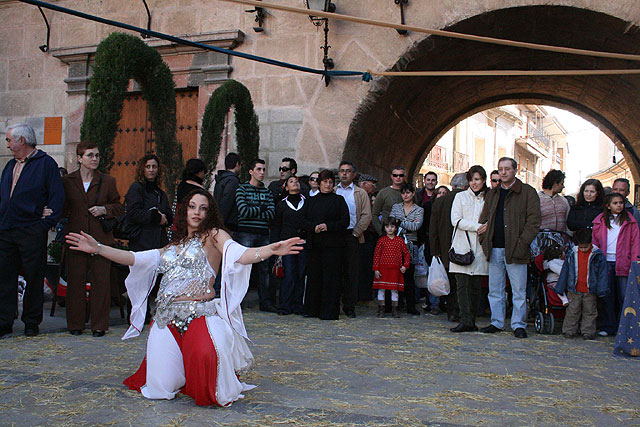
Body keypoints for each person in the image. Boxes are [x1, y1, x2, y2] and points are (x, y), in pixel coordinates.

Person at [65, 189, 303, 406]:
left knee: (208, 385)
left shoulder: (213, 235)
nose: (197, 212)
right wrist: (98, 248)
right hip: (165, 319)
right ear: (184, 210)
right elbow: (134, 258)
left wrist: (270, 250)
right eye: (192, 206)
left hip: (200, 314)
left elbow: (239, 253)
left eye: (203, 208)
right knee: (161, 388)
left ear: (209, 213)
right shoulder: (171, 247)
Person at [0, 123, 64, 337]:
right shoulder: (10, 165)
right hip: (7, 230)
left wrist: (43, 225)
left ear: (22, 141)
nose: (7, 144)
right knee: (5, 278)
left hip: (31, 231)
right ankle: (4, 321)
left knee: (34, 277)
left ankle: (31, 322)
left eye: (9, 140)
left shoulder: (46, 164)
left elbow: (57, 197)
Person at [62, 141, 122, 337]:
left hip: (100, 237)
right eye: (90, 155)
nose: (95, 159)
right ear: (79, 158)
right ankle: (75, 324)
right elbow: (62, 206)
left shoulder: (108, 180)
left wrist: (104, 209)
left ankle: (99, 325)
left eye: (97, 155)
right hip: (76, 236)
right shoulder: (68, 181)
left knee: (101, 282)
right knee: (75, 281)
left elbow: (118, 206)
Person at [478, 157, 541, 339]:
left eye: (507, 169)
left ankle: (518, 324)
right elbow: (484, 217)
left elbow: (534, 221)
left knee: (518, 289)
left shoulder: (527, 193)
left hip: (516, 248)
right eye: (500, 169)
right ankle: (496, 321)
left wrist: (523, 243)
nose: (503, 172)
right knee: (495, 288)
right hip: (494, 246)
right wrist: (484, 238)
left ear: (515, 170)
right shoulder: (493, 193)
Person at [301, 170, 350, 320]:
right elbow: (303, 220)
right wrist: (313, 227)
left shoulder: (339, 200)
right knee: (315, 278)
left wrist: (328, 226)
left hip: (333, 246)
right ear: (319, 183)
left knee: (331, 279)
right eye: (325, 182)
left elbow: (345, 221)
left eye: (330, 182)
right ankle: (312, 309)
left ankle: (329, 311)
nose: (328, 185)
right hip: (315, 245)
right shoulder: (311, 201)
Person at [592, 192, 640, 337]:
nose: (619, 205)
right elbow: (596, 242)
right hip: (606, 262)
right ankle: (608, 326)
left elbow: (635, 243)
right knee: (607, 296)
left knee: (625, 296)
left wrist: (634, 262)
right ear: (608, 205)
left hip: (624, 262)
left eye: (621, 203)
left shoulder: (630, 221)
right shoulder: (600, 220)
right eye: (615, 203)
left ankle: (625, 327)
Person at [449, 166, 489, 333]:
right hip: (462, 246)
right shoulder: (460, 197)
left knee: (475, 287)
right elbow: (455, 219)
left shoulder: (488, 198)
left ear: (483, 180)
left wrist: (485, 228)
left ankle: (472, 320)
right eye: (472, 179)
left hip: (480, 247)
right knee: (462, 286)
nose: (474, 183)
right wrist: (477, 227)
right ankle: (465, 320)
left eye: (477, 179)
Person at [235, 159, 276, 312]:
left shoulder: (267, 192)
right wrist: (261, 208)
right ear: (251, 171)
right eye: (258, 169)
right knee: (242, 269)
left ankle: (265, 302)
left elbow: (271, 213)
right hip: (245, 233)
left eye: (264, 169)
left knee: (264, 270)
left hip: (263, 234)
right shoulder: (242, 189)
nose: (262, 172)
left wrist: (255, 209)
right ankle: (237, 302)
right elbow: (243, 211)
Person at [554, 228, 608, 340]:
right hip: (574, 288)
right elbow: (565, 271)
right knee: (572, 311)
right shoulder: (571, 254)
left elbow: (602, 274)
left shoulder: (598, 255)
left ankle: (588, 331)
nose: (583, 249)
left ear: (590, 243)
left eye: (585, 247)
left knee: (590, 311)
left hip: (590, 289)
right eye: (581, 247)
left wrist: (602, 289)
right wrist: (560, 287)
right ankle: (569, 330)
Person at [429, 173, 468, 320]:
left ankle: (451, 311)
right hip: (463, 247)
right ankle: (461, 311)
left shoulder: (440, 202)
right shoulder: (467, 201)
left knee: (450, 280)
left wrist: (435, 250)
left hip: (444, 248)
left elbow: (433, 229)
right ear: (466, 186)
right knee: (462, 282)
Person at [336, 161, 372, 318]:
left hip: (352, 235)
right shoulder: (334, 190)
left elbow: (366, 215)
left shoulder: (360, 193)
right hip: (334, 236)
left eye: (348, 171)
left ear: (354, 175)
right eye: (342, 171)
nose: (344, 173)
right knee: (335, 271)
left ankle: (349, 306)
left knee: (351, 272)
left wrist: (356, 233)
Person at [272, 176, 307, 315]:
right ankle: (284, 306)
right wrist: (277, 246)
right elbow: (277, 226)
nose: (295, 183)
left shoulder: (306, 202)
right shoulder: (281, 205)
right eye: (291, 181)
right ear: (286, 187)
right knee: (289, 275)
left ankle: (298, 305)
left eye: (296, 181)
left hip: (303, 243)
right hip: (287, 245)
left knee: (300, 274)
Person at [125, 154, 173, 252]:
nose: (151, 170)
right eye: (148, 167)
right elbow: (133, 213)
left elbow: (169, 216)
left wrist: (165, 218)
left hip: (160, 243)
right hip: (141, 243)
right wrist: (156, 217)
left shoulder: (161, 193)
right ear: (142, 169)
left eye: (154, 167)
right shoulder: (137, 188)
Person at [389, 183, 423, 315]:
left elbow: (416, 226)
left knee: (409, 275)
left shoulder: (419, 210)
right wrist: (406, 223)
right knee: (395, 273)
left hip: (411, 245)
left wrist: (400, 222)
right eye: (403, 193)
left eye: (408, 192)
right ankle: (396, 304)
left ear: (413, 193)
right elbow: (391, 223)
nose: (405, 195)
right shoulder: (396, 207)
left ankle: (411, 305)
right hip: (396, 242)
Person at [373, 217, 411, 318]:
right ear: (384, 228)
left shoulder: (399, 241)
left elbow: (407, 254)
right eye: (387, 226)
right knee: (381, 289)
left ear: (396, 228)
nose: (390, 229)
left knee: (394, 290)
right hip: (382, 269)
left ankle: (395, 310)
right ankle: (381, 308)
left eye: (392, 226)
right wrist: (376, 269)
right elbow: (377, 255)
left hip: (395, 270)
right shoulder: (381, 241)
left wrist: (405, 266)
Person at [357, 173, 378, 301]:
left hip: (369, 236)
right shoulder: (360, 196)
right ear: (364, 184)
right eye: (372, 184)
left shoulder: (371, 197)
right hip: (362, 235)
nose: (374, 187)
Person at [372, 166, 405, 235]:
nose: (398, 177)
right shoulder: (383, 193)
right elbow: (374, 214)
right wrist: (381, 232)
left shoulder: (410, 193)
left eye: (401, 175)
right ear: (392, 177)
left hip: (405, 234)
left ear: (404, 176)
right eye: (395, 175)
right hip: (387, 234)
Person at [213, 152, 241, 232]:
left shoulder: (221, 179)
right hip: (228, 224)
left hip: (221, 221)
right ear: (237, 164)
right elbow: (227, 201)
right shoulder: (233, 181)